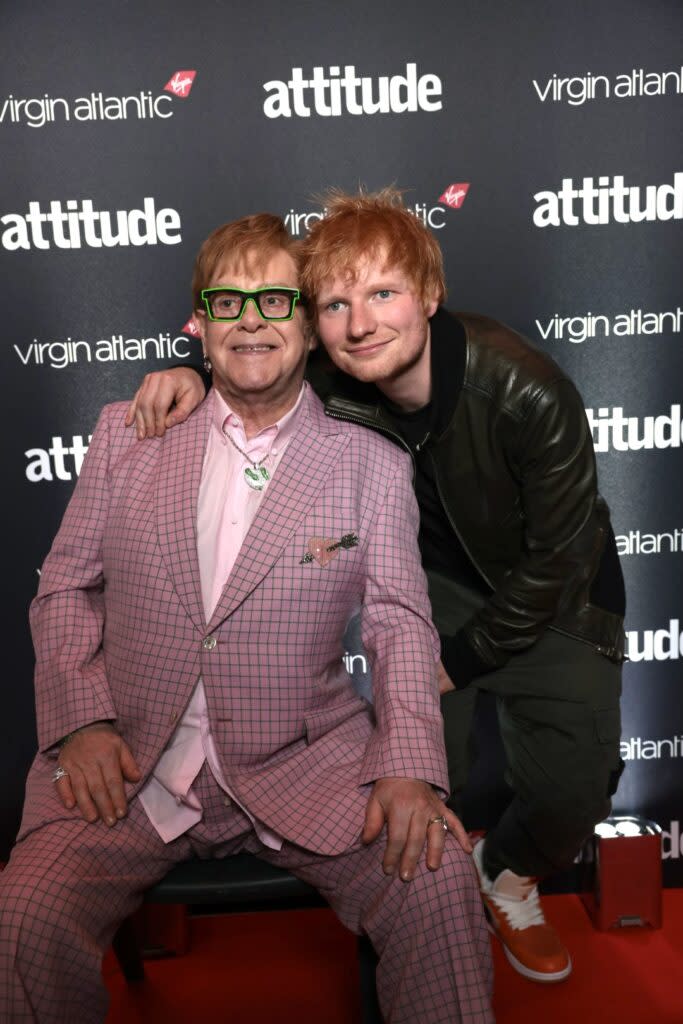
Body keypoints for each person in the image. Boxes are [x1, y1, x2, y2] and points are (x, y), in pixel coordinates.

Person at [0, 213, 494, 1024]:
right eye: (228, 302)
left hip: (307, 764)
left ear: (307, 326)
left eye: (274, 300)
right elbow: (63, 588)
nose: (251, 320)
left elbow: (401, 623)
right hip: (127, 765)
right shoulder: (127, 435)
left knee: (437, 883)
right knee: (22, 918)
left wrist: (409, 768)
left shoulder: (369, 460)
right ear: (198, 323)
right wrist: (83, 725)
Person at [130, 188, 626, 985]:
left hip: (552, 596)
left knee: (575, 793)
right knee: (421, 783)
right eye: (334, 303)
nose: (359, 323)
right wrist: (189, 374)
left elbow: (560, 562)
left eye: (383, 294)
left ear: (428, 295)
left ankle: (506, 873)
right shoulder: (333, 370)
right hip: (428, 589)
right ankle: (431, 915)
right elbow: (250, 356)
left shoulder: (526, 388)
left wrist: (459, 660)